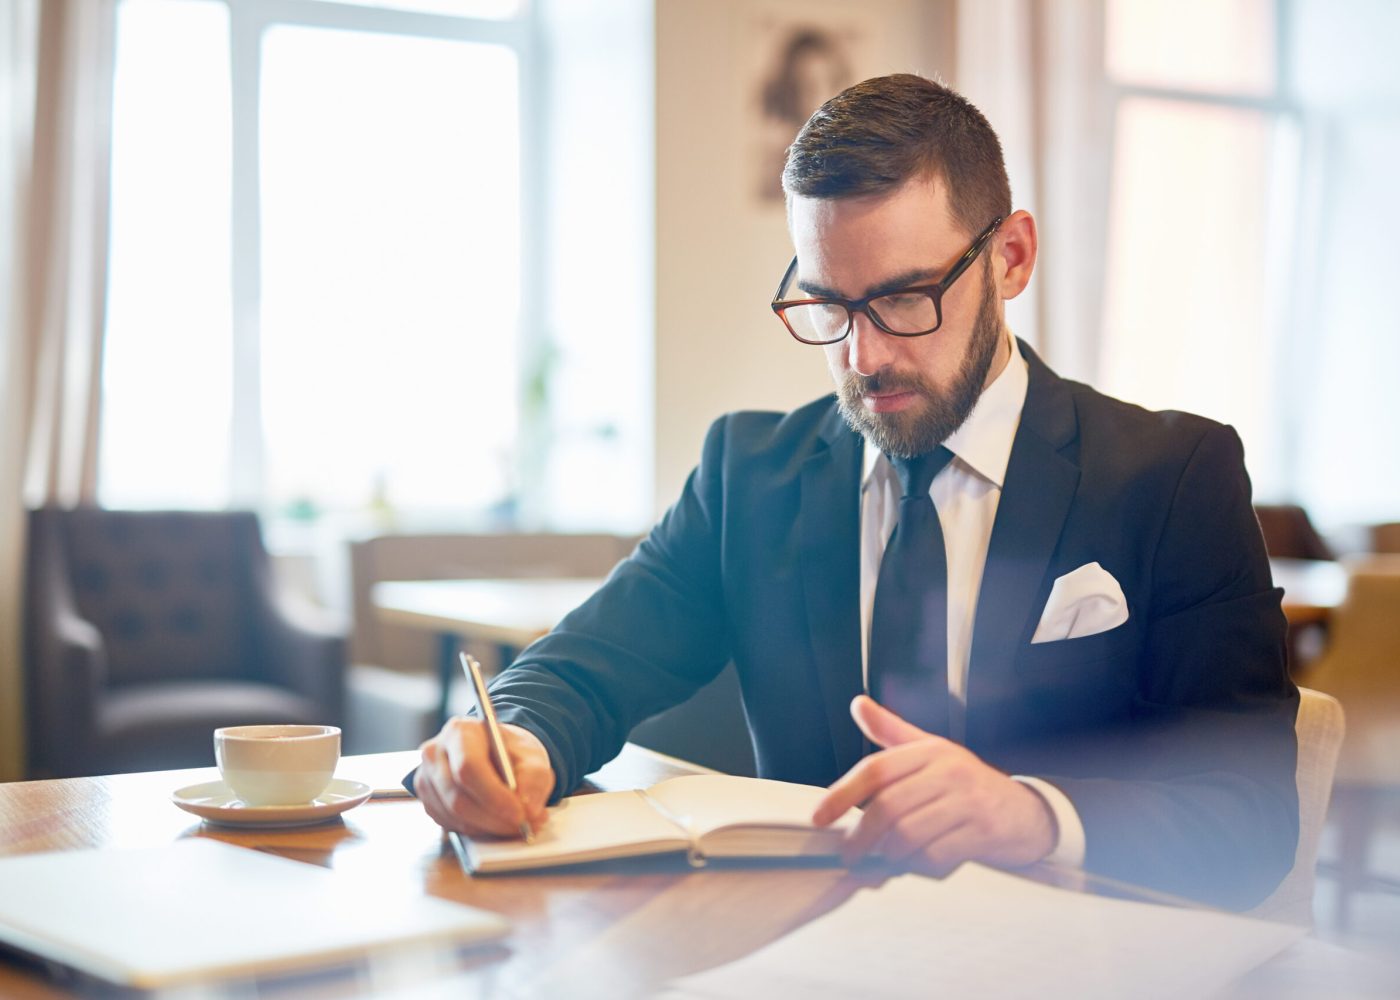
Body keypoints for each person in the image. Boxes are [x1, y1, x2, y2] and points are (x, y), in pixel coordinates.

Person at [411, 73, 1299, 910]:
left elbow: (1251, 817)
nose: (863, 358)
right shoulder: (748, 475)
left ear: (1012, 258)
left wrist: (1032, 816)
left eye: (906, 299)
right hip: (801, 951)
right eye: (827, 305)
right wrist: (511, 741)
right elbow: (583, 672)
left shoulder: (1172, 478)